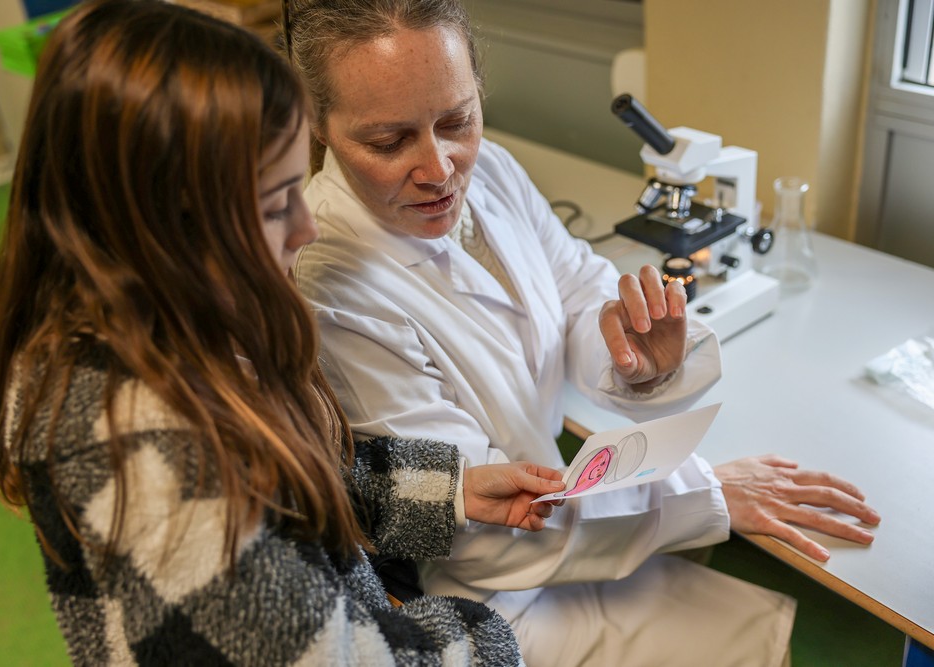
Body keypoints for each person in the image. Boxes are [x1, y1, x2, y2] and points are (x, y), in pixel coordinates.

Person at [0, 1, 571, 664]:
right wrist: (483, 633)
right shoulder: (155, 456)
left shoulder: (164, 332)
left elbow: (298, 493)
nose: (306, 227)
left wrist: (452, 489)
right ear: (171, 227)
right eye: (276, 203)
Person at [286, 1, 882, 664]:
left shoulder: (494, 173)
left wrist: (627, 352)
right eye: (388, 141)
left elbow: (574, 285)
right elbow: (479, 524)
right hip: (500, 595)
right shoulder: (332, 283)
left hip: (572, 520)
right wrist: (706, 492)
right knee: (789, 636)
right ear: (316, 122)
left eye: (457, 120)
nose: (440, 169)